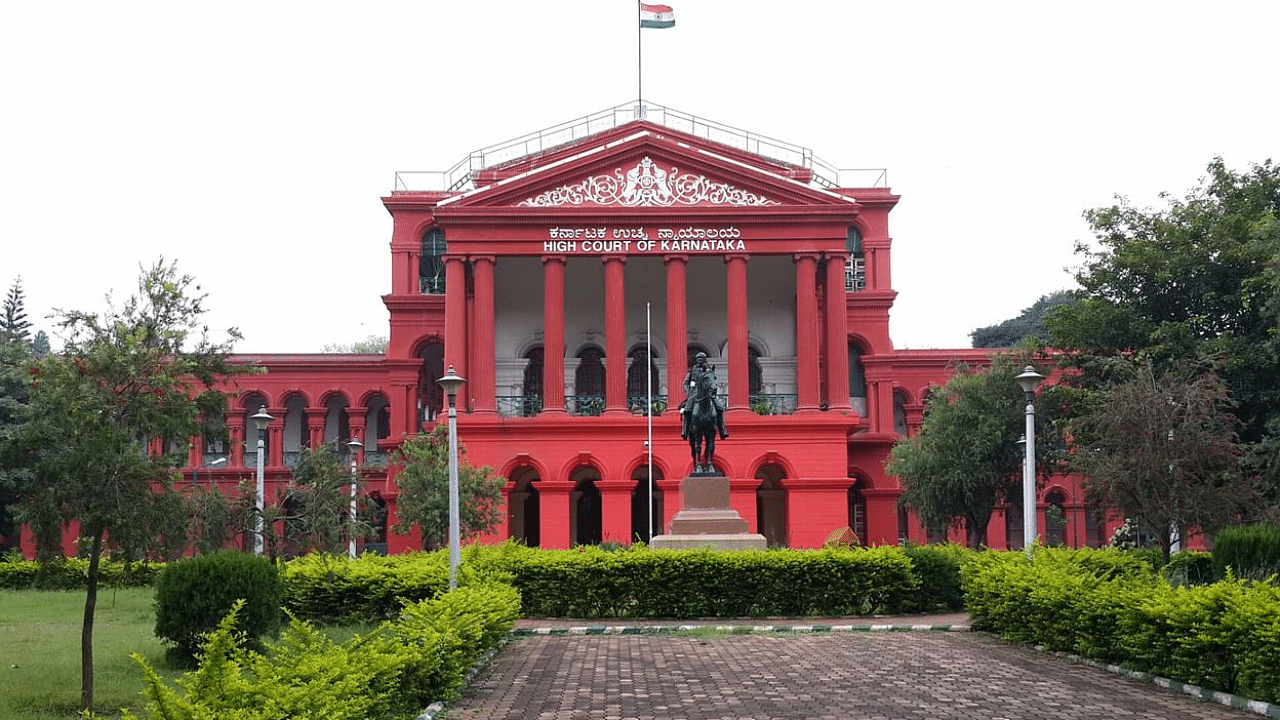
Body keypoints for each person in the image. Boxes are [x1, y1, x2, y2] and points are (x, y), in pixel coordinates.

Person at [679, 352, 729, 440]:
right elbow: (686, 383)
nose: (700, 360)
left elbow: (712, 381)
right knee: (687, 410)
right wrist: (689, 392)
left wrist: (712, 389)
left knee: (720, 408)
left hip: (708, 393)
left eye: (701, 358)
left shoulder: (709, 370)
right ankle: (685, 431)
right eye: (698, 358)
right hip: (695, 394)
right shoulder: (692, 371)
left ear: (704, 359)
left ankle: (722, 430)